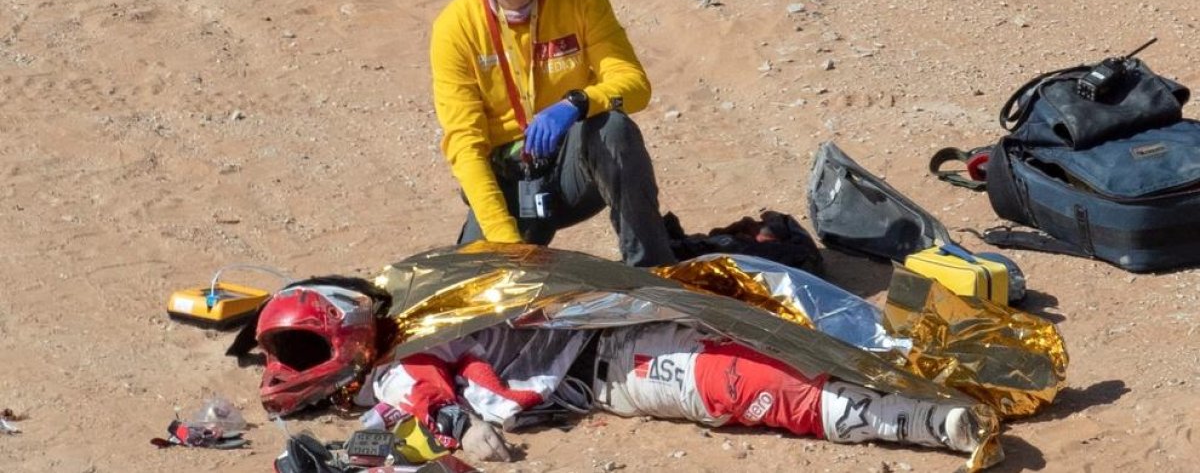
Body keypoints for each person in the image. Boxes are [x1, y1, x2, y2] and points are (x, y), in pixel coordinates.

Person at [429, 0, 676, 267]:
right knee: (480, 288)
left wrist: (575, 104)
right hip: (507, 185)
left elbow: (635, 85)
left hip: (570, 171)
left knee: (614, 128)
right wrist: (508, 245)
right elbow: (465, 144)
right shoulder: (455, 27)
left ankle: (653, 271)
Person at [364, 322, 983, 463]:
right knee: (739, 383)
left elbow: (416, 380)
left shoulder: (428, 323)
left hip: (613, 323)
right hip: (612, 365)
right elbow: (414, 390)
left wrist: (456, 421)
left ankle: (936, 364)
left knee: (778, 329)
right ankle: (917, 419)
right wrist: (459, 425)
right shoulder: (392, 376)